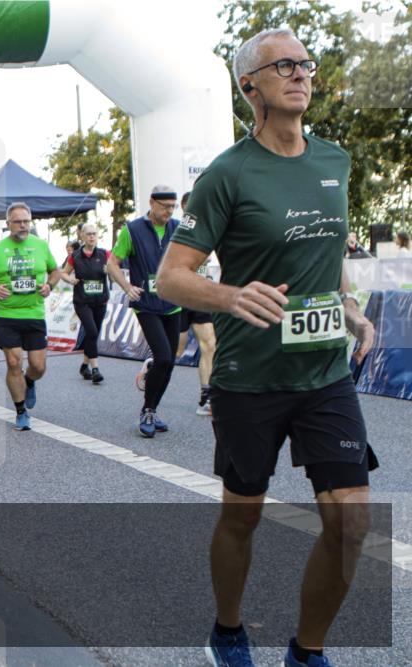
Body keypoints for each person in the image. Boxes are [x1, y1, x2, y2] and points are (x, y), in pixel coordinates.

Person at [156, 27, 377, 667]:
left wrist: (353, 305)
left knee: (350, 521)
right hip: (250, 377)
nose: (301, 74)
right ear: (250, 86)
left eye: (306, 64)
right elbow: (171, 276)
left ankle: (306, 652)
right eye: (285, 66)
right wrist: (230, 297)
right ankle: (227, 629)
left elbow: (330, 248)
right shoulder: (228, 175)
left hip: (324, 373)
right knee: (243, 515)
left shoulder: (334, 161)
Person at [105, 185, 182, 438]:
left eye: (172, 207)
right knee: (162, 356)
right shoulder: (133, 230)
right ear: (151, 203)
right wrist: (127, 287)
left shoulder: (178, 228)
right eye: (164, 207)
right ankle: (147, 410)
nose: (168, 212)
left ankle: (154, 408)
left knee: (169, 362)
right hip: (146, 304)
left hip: (172, 303)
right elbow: (112, 264)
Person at [0, 202, 60, 431]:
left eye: (26, 221)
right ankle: (21, 411)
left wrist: (49, 286)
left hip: (34, 314)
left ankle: (29, 381)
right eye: (18, 222)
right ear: (8, 224)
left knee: (38, 366)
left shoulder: (41, 246)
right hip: (7, 314)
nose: (23, 226)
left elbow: (56, 270)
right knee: (14, 362)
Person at [174, 191, 218, 416]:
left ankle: (206, 397)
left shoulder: (209, 227)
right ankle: (154, 365)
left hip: (200, 295)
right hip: (179, 297)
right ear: (183, 207)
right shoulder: (176, 229)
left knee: (209, 344)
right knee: (177, 351)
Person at [62, 222, 109, 383]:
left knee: (92, 334)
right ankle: (95, 369)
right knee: (92, 331)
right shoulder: (74, 256)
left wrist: (109, 270)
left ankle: (84, 366)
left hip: (100, 300)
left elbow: (116, 271)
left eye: (94, 234)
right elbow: (64, 273)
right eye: (88, 234)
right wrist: (70, 279)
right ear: (82, 236)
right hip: (82, 300)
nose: (91, 237)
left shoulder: (104, 254)